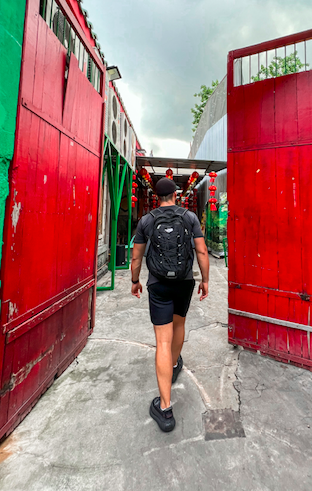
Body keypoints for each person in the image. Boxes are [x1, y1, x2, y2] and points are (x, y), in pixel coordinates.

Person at [131, 177, 209, 433]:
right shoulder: (189, 217)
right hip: (184, 281)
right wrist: (205, 280)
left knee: (161, 341)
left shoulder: (147, 220)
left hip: (158, 284)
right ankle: (174, 364)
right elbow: (201, 251)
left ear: (156, 195)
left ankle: (165, 409)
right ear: (175, 194)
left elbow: (136, 255)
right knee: (180, 324)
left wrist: (135, 281)